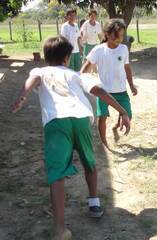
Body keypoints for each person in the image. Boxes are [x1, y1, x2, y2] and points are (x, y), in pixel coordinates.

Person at [12, 36, 130, 240]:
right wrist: (122, 111)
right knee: (89, 162)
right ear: (67, 57)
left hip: (57, 121)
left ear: (46, 56)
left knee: (57, 173)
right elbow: (99, 91)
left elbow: (31, 81)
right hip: (81, 118)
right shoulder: (77, 74)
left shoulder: (40, 71)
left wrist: (23, 95)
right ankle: (94, 203)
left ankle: (60, 229)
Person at [81, 19, 137, 148]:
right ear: (106, 34)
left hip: (121, 91)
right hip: (104, 92)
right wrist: (80, 82)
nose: (119, 38)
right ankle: (104, 142)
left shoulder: (123, 49)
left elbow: (127, 68)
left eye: (122, 35)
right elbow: (85, 69)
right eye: (115, 35)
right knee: (102, 117)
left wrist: (131, 85)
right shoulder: (98, 50)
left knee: (127, 115)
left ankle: (116, 126)